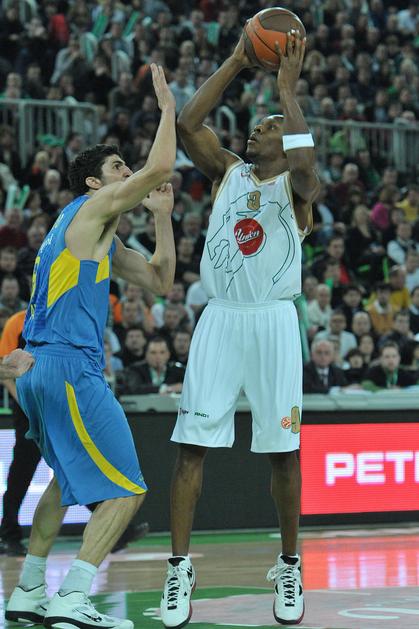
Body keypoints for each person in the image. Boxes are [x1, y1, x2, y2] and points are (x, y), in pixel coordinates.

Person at [6, 64, 176, 629]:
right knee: (126, 490)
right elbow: (161, 166)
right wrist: (169, 110)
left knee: (63, 481)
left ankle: (29, 590)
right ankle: (74, 595)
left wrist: (163, 219)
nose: (129, 173)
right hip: (68, 367)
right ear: (94, 185)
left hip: (38, 369)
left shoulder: (92, 233)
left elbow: (160, 282)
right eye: (118, 168)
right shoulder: (89, 210)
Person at [160, 31, 319, 627]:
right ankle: (178, 569)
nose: (257, 129)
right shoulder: (229, 171)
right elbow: (189, 124)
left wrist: (288, 93)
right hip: (221, 317)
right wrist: (235, 60)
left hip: (274, 320)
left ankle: (290, 565)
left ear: (287, 138)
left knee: (283, 452)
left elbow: (307, 169)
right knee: (190, 447)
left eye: (269, 126)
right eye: (258, 124)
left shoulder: (298, 191)